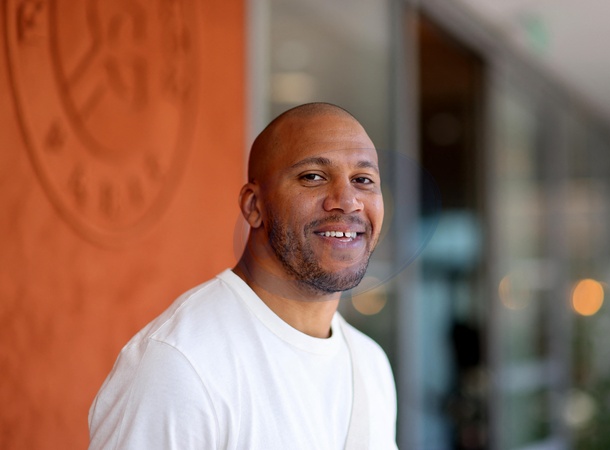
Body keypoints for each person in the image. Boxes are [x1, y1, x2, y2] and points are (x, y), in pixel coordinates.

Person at [88, 103, 398, 449]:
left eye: (363, 180)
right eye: (313, 176)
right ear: (253, 206)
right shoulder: (181, 362)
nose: (348, 201)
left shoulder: (370, 364)